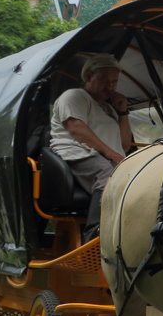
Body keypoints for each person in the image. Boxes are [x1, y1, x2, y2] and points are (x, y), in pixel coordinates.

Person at [49, 53, 133, 241]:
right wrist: (111, 154)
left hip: (108, 158)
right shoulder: (74, 96)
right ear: (88, 77)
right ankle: (95, 233)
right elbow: (76, 129)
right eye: (104, 79)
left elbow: (125, 144)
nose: (110, 86)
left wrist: (122, 112)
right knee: (107, 176)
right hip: (78, 153)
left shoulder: (109, 109)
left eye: (114, 81)